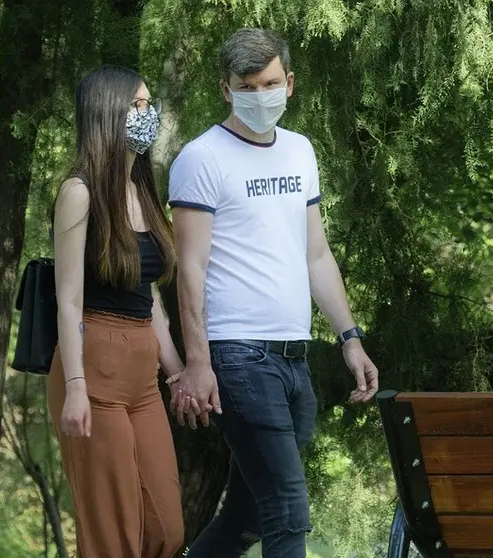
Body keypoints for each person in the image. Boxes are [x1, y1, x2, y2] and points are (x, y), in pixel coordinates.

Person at [167, 28, 381, 557]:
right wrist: (197, 362)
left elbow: (316, 255)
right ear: (226, 89)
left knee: (246, 516)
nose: (261, 95)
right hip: (237, 353)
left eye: (270, 83)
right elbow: (188, 269)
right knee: (288, 508)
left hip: (294, 354)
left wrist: (350, 339)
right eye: (247, 85)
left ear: (289, 82)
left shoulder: (300, 152)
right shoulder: (201, 158)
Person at [48, 64, 189, 558]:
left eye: (149, 104)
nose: (148, 114)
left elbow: (147, 295)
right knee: (115, 536)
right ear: (108, 113)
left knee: (166, 529)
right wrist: (74, 389)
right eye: (137, 106)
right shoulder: (79, 192)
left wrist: (178, 374)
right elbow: (67, 297)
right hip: (93, 369)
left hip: (142, 374)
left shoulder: (142, 190)